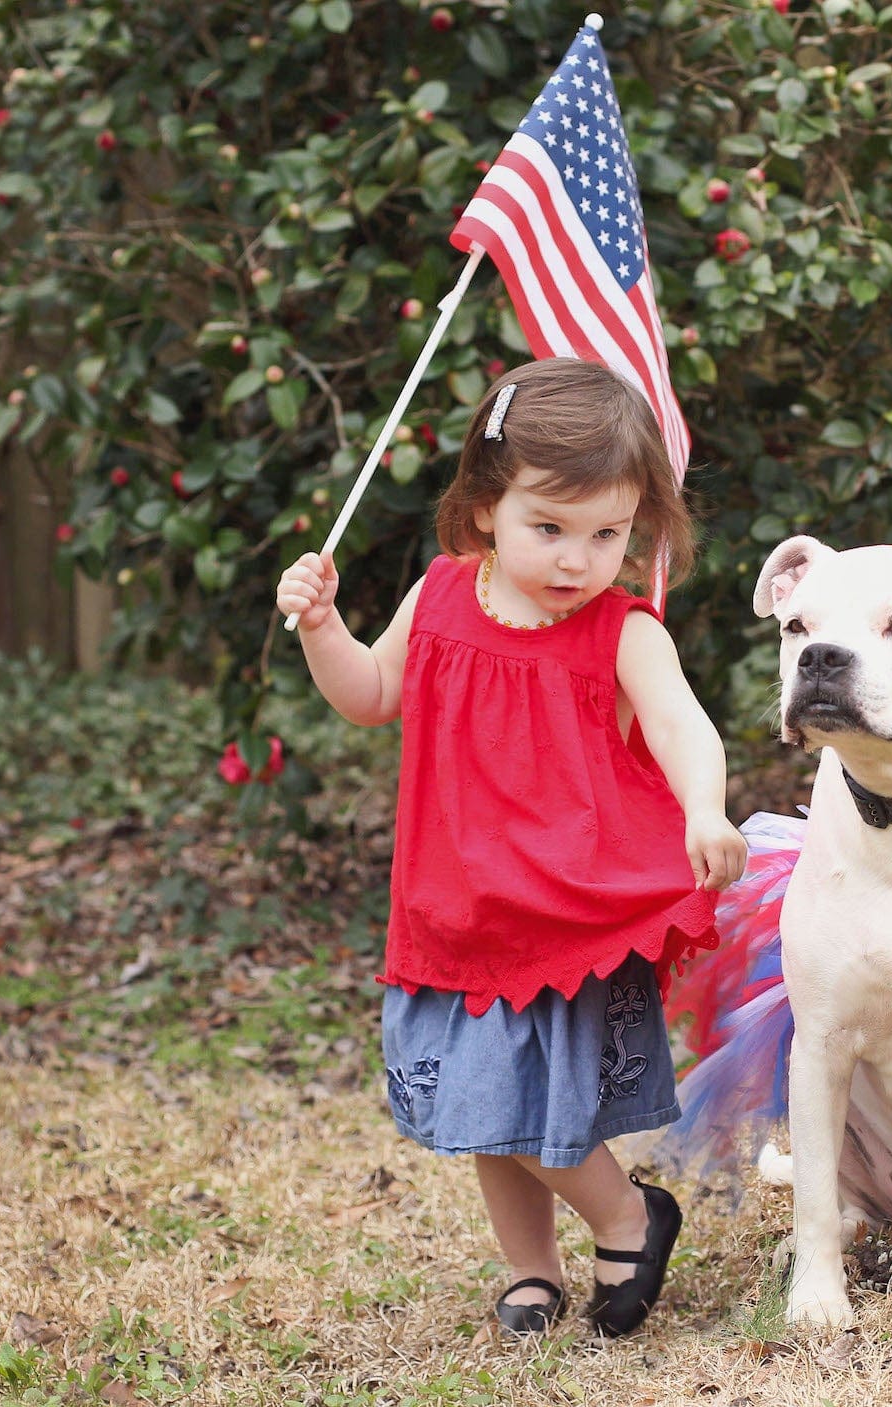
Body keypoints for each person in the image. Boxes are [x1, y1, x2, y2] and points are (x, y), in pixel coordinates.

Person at [275, 357, 748, 1340]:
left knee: (518, 1096)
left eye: (607, 534)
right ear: (486, 505)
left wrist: (704, 807)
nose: (577, 559)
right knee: (491, 1116)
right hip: (456, 900)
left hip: (561, 902)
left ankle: (625, 1213)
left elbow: (681, 728)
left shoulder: (622, 632)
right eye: (549, 528)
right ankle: (531, 1271)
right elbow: (368, 694)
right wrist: (323, 629)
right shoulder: (442, 596)